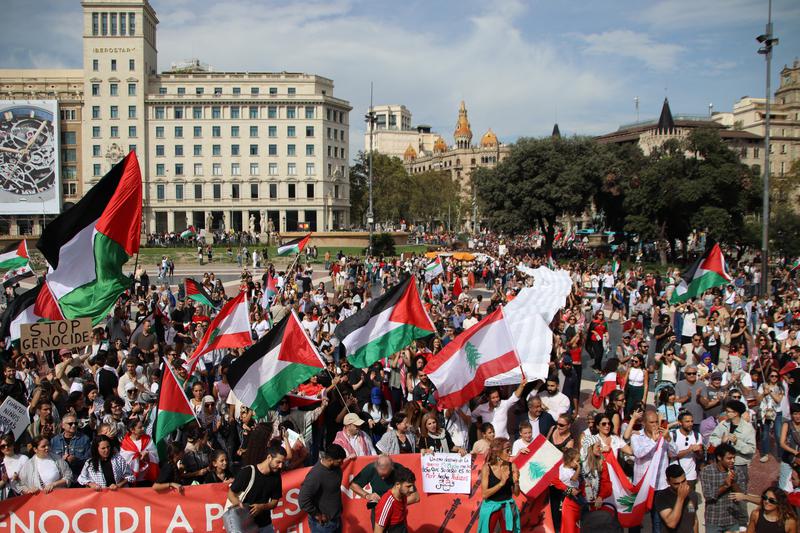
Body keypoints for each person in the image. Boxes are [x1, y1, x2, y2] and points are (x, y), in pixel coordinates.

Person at [227, 444, 287, 533]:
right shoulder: (247, 472)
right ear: (269, 457)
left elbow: (274, 502)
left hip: (265, 524)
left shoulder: (276, 477)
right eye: (278, 462)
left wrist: (262, 507)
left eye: (283, 463)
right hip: (245, 525)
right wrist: (241, 507)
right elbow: (231, 494)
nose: (280, 466)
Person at [709, 400, 756, 497]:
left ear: (736, 413)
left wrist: (737, 442)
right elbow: (712, 438)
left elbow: (751, 449)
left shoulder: (748, 428)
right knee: (721, 493)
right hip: (722, 465)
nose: (726, 413)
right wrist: (721, 442)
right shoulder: (723, 424)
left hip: (738, 465)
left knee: (740, 495)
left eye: (728, 411)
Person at [299, 443, 347, 533]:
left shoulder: (336, 468)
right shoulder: (315, 475)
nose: (342, 463)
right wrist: (317, 515)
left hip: (336, 520)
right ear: (330, 460)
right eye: (339, 461)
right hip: (322, 525)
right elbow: (303, 500)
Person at [478, 438, 521, 533]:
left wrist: (516, 482)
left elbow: (517, 494)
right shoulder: (487, 468)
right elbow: (485, 494)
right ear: (498, 452)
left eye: (510, 450)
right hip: (491, 508)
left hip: (508, 507)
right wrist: (501, 483)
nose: (510, 453)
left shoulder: (512, 466)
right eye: (507, 450)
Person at [700, 443, 744, 533]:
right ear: (719, 458)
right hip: (714, 520)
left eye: (734, 458)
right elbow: (708, 496)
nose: (732, 461)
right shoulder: (707, 471)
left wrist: (733, 482)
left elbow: (742, 496)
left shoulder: (737, 471)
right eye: (729, 458)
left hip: (732, 519)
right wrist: (725, 486)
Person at [350, 455, 398, 524]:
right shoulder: (371, 468)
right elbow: (353, 485)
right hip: (378, 509)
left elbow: (415, 496)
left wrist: (397, 502)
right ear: (376, 468)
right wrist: (367, 495)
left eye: (386, 475)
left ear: (392, 468)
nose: (383, 478)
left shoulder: (398, 469)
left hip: (395, 510)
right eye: (381, 475)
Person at [653, 464, 698, 533]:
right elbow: (671, 523)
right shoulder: (661, 496)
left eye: (683, 481)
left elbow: (694, 520)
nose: (681, 486)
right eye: (676, 484)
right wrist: (680, 498)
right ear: (668, 482)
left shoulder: (692, 495)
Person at [373, 465, 418, 533]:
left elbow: (416, 498)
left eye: (412, 485)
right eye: (408, 486)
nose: (411, 490)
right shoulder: (386, 503)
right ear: (397, 485)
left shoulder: (403, 495)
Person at [50, 414, 91, 480]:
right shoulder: (54, 441)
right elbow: (51, 460)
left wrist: (76, 460)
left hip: (78, 477)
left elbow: (89, 460)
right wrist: (62, 460)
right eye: (70, 424)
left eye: (75, 423)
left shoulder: (85, 439)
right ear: (63, 425)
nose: (74, 425)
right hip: (61, 478)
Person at [669, 412, 703, 488]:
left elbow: (700, 456)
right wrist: (689, 450)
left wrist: (698, 451)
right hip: (675, 475)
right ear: (680, 422)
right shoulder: (672, 435)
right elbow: (671, 455)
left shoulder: (697, 435)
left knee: (691, 497)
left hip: (691, 475)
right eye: (687, 421)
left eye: (692, 421)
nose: (690, 424)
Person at [0, 433, 28, 499]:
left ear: (13, 445)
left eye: (8, 444)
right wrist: (4, 481)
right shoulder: (1, 465)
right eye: (3, 446)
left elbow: (31, 478)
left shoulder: (23, 458)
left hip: (23, 495)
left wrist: (19, 479)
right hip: (7, 499)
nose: (6, 447)